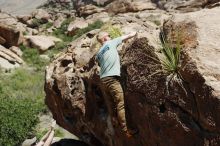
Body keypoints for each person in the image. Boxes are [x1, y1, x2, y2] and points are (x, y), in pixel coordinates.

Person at [96, 31, 137, 138]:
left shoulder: (99, 52)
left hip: (103, 79)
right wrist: (134, 32)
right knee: (120, 104)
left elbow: (99, 63)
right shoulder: (111, 43)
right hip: (112, 78)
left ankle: (114, 120)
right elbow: (128, 36)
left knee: (110, 103)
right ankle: (126, 130)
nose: (110, 36)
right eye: (109, 35)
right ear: (105, 38)